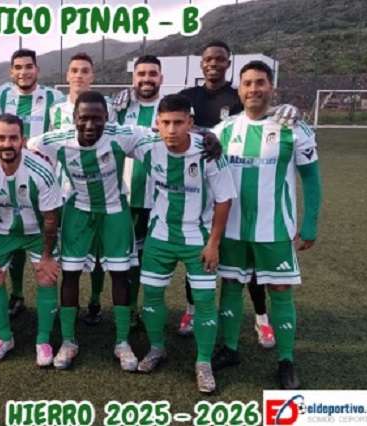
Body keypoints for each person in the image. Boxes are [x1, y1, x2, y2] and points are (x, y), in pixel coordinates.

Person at [210, 61, 321, 390]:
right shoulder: (224, 130)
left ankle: (286, 360)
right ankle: (230, 349)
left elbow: (311, 178)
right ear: (239, 89)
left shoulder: (294, 129)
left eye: (260, 82)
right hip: (232, 228)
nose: (254, 89)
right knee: (231, 285)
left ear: (271, 87)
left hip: (274, 228)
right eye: (247, 83)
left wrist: (310, 224)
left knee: (280, 291)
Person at [28, 91, 148, 372]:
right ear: (74, 118)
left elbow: (163, 135)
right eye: (84, 118)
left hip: (115, 211)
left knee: (120, 275)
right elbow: (26, 147)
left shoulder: (123, 135)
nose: (90, 125)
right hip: (78, 211)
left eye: (97, 118)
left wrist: (206, 137)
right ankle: (68, 341)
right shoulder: (56, 140)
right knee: (70, 274)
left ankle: (122, 342)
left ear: (107, 117)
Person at [133, 94, 236, 394]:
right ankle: (156, 348)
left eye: (178, 122)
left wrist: (214, 243)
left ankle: (203, 362)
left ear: (190, 123)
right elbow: (108, 132)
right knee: (152, 295)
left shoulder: (208, 152)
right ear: (157, 123)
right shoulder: (146, 145)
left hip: (198, 239)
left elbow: (224, 199)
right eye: (165, 122)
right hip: (160, 236)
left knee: (204, 301)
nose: (171, 129)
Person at [0, 114, 62, 365]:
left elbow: (51, 219)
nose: (7, 144)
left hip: (37, 231)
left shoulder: (42, 170)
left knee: (46, 276)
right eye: (1, 138)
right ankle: (4, 337)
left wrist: (47, 256)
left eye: (13, 138)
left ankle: (43, 340)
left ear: (23, 140)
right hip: (2, 229)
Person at [0, 49, 66, 317]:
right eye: (18, 67)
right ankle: (17, 294)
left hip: (44, 181)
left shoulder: (54, 97)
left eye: (28, 66)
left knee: (44, 233)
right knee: (13, 232)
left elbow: (75, 107)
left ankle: (57, 298)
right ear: (11, 71)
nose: (23, 72)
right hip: (7, 176)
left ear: (37, 69)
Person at [47, 52, 111, 326]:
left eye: (85, 70)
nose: (79, 75)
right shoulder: (56, 110)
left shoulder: (108, 106)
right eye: (74, 70)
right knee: (67, 250)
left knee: (97, 252)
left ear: (92, 76)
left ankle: (95, 300)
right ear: (67, 75)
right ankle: (66, 304)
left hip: (98, 190)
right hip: (65, 190)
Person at [112, 55, 166, 329]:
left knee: (153, 258)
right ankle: (130, 308)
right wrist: (112, 105)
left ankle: (150, 307)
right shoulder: (121, 108)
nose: (146, 79)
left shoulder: (169, 107)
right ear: (133, 78)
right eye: (141, 74)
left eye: (152, 74)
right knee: (128, 259)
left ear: (161, 78)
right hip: (126, 197)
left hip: (160, 198)